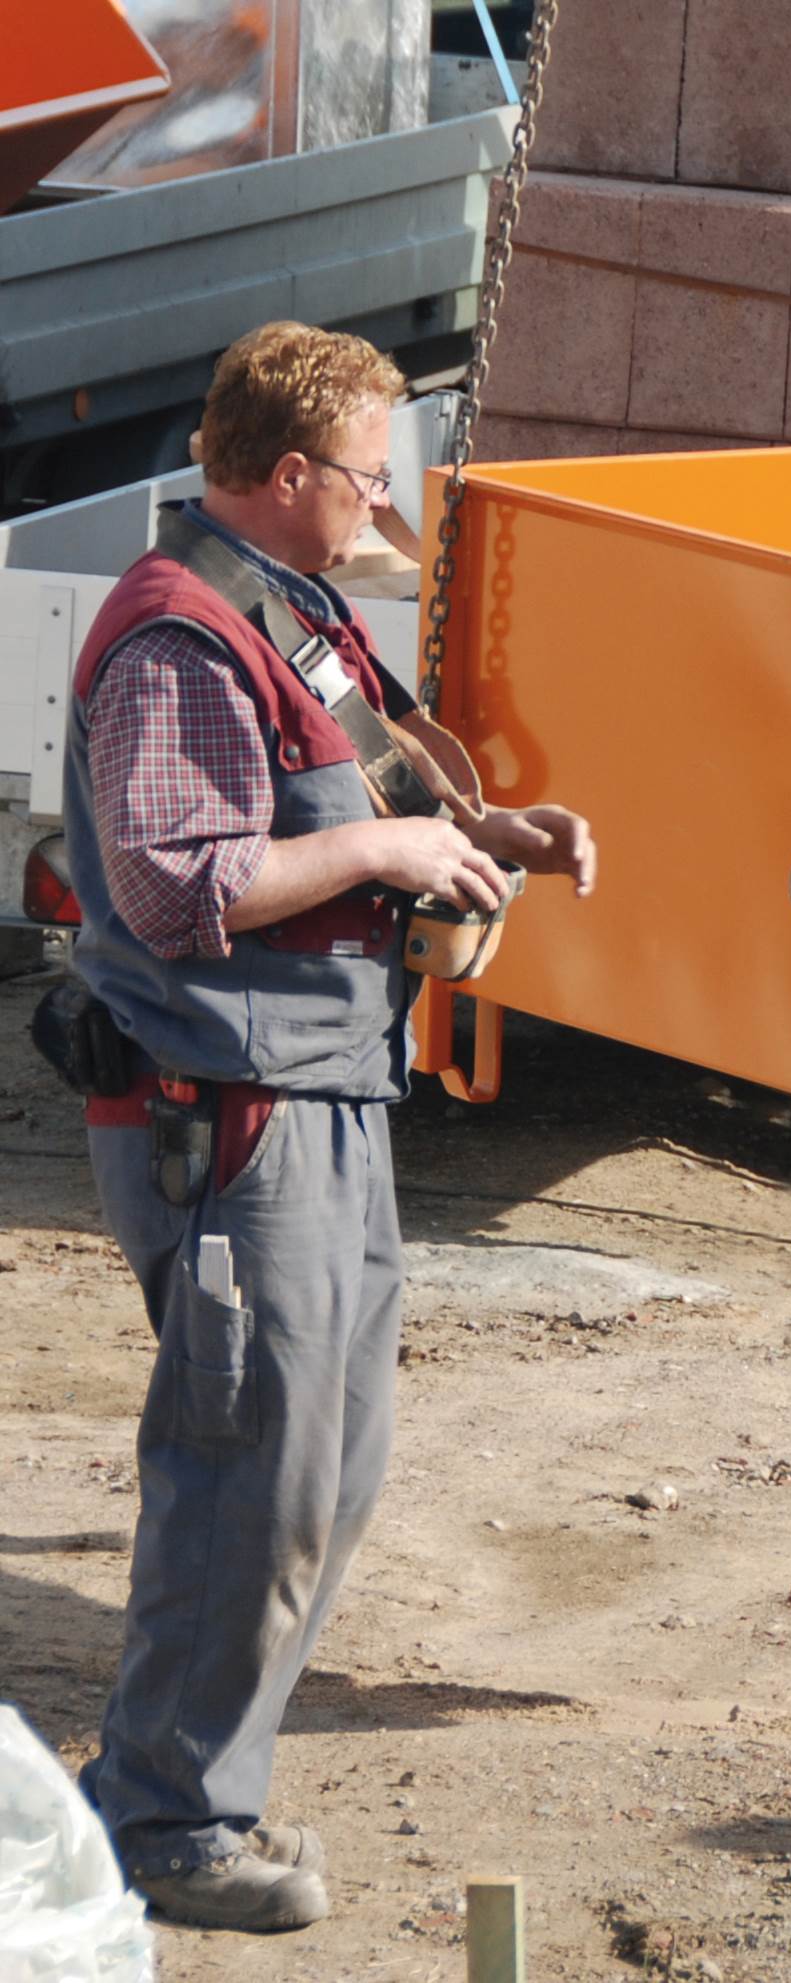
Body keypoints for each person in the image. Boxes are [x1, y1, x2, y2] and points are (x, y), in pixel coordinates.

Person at [62, 321, 597, 1933]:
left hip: (324, 1093)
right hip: (226, 1116)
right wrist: (385, 866)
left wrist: (470, 829)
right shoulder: (176, 639)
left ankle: (183, 1792)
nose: (383, 508)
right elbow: (176, 885)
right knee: (248, 1475)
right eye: (368, 480)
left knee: (327, 1466)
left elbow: (333, 798)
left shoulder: (287, 618)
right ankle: (162, 1824)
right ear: (285, 476)